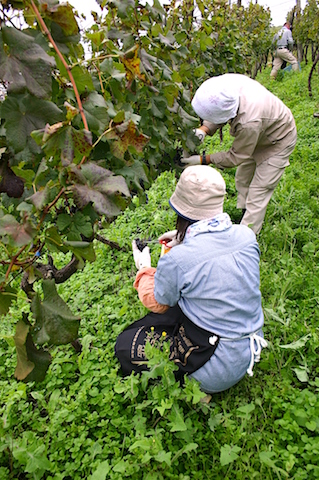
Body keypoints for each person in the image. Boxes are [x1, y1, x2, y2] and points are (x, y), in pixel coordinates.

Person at [115, 165, 267, 394]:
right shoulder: (245, 236)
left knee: (126, 345)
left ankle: (197, 390)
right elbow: (213, 254)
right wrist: (181, 239)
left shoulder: (178, 260)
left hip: (215, 367)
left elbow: (157, 302)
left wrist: (144, 267)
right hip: (250, 350)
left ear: (180, 210)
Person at [183, 73, 297, 235]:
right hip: (260, 132)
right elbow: (219, 109)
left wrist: (203, 159)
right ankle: (244, 212)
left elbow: (236, 157)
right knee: (243, 177)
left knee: (259, 190)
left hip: (278, 141)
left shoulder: (249, 122)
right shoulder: (225, 86)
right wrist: (204, 129)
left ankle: (246, 236)